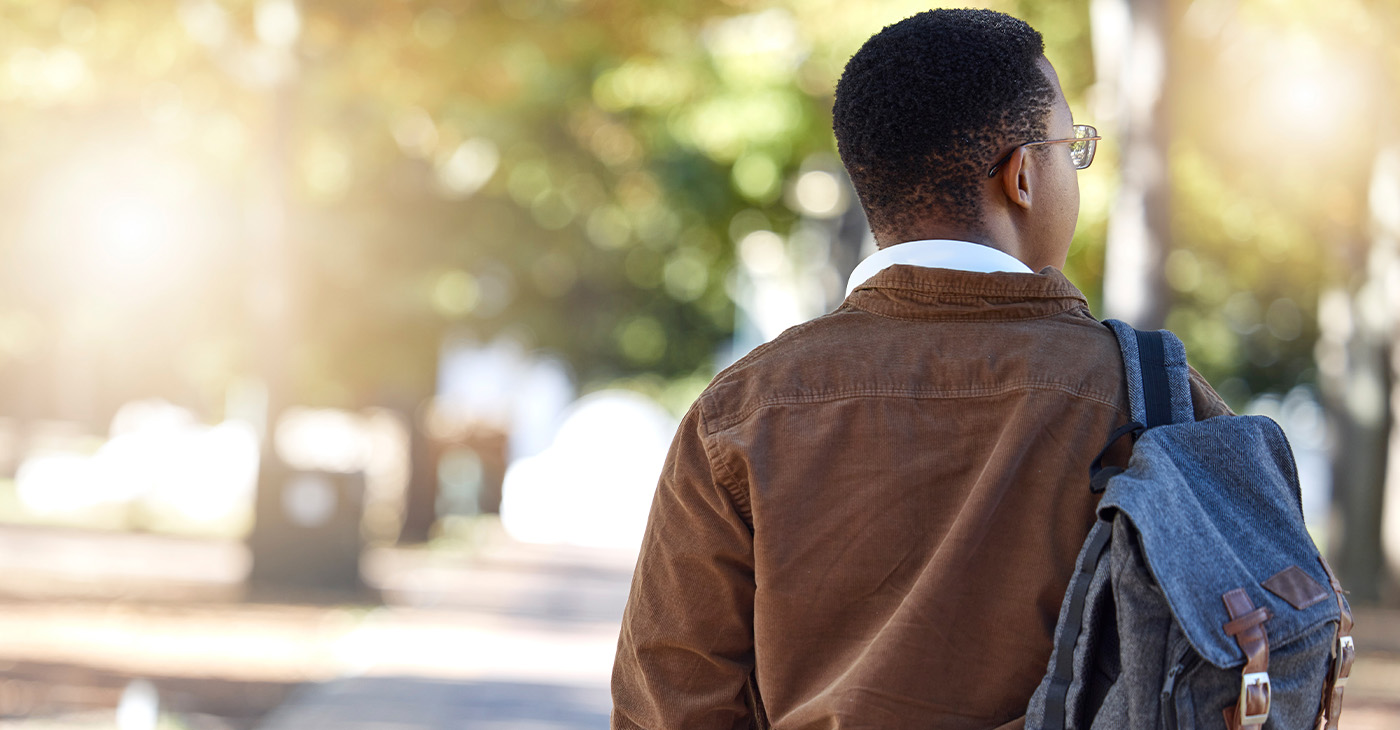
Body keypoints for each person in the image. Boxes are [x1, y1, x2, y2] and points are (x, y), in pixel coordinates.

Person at [611, 8, 1229, 729]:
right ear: (1023, 175)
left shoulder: (740, 412)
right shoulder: (1151, 394)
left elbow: (670, 701)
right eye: (1073, 147)